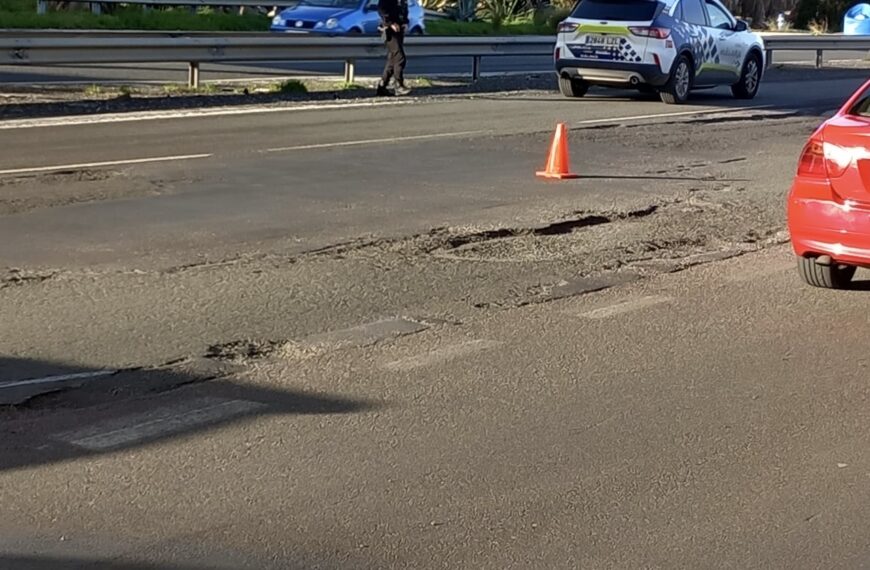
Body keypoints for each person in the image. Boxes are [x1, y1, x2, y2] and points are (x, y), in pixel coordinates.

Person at [376, 0, 411, 96]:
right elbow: (381, 9)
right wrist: (390, 23)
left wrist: (404, 22)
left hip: (399, 30)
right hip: (389, 30)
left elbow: (403, 9)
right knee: (399, 57)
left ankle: (382, 86)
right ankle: (398, 85)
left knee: (392, 60)